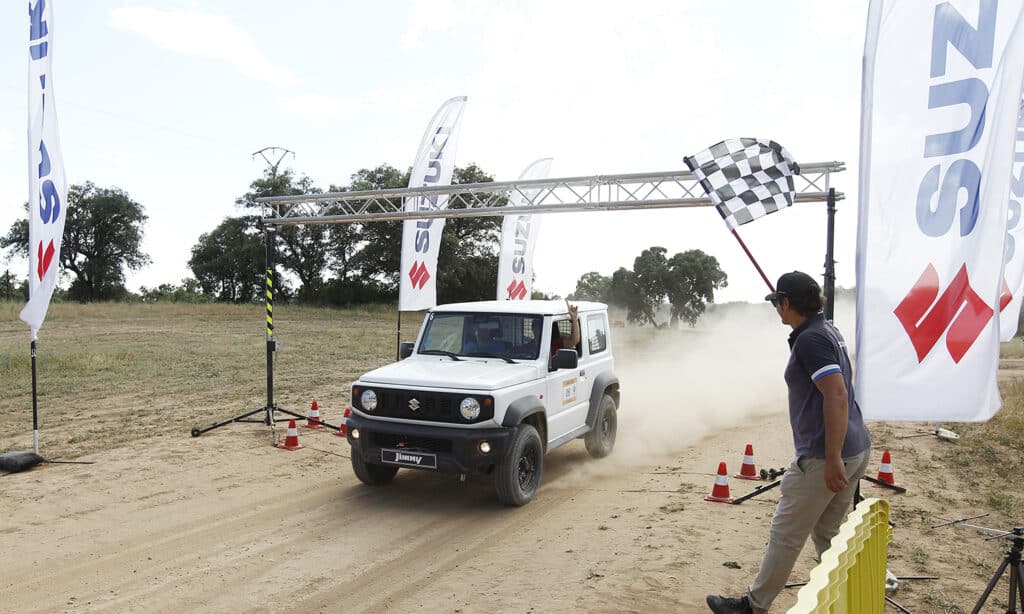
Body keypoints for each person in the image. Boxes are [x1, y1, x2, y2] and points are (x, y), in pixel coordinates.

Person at [706, 271, 872, 614]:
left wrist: (831, 458)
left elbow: (837, 395)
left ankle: (754, 605)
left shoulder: (811, 339)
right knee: (828, 533)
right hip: (855, 445)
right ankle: (845, 599)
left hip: (824, 456)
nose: (776, 310)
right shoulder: (825, 330)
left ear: (787, 303)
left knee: (786, 532)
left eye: (777, 303)